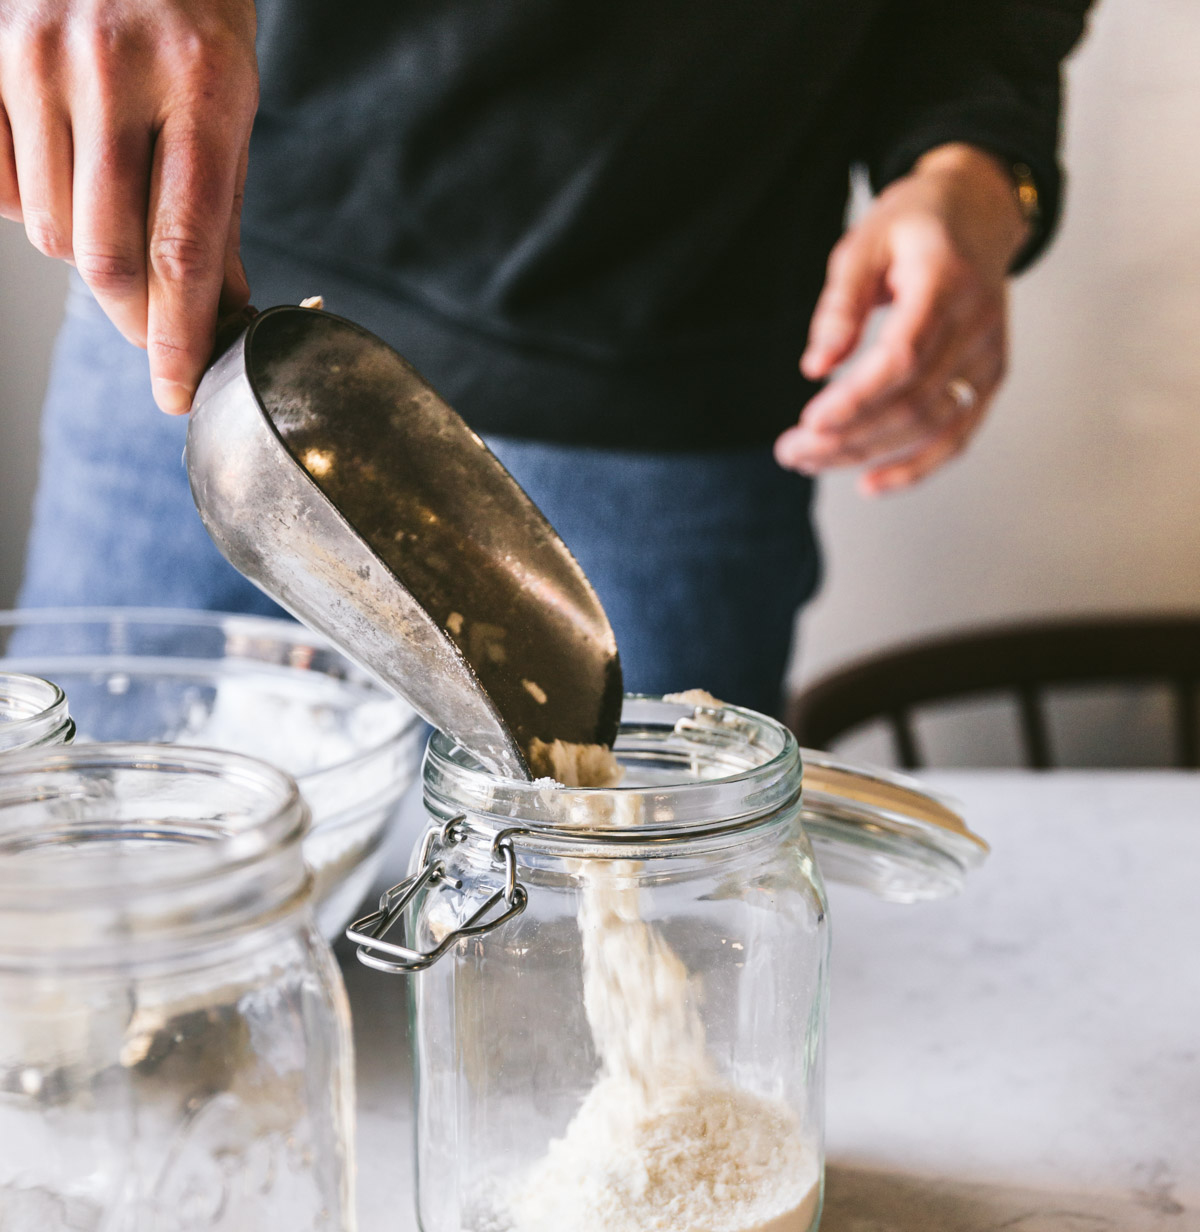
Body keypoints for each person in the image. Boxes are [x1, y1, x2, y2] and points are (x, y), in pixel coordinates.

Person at [1, 0, 1092, 714]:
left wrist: (976, 155)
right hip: (197, 311)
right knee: (75, 933)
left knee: (639, 984)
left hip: (661, 389)